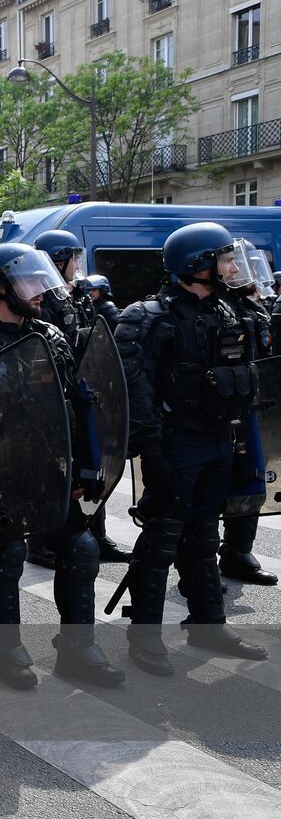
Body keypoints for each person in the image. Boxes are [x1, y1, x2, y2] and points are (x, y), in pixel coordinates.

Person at [0, 243, 125, 689]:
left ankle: (77, 647)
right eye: (28, 281)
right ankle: (6, 649)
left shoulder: (51, 336)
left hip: (51, 469)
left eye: (41, 279)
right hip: (4, 471)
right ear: (0, 287)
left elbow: (74, 405)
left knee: (82, 549)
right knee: (7, 554)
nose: (40, 289)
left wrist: (84, 468)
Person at [116, 222, 269, 675]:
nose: (233, 267)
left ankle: (208, 624)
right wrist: (152, 451)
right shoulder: (148, 317)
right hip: (175, 444)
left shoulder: (228, 309)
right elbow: (131, 389)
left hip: (218, 438)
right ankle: (144, 635)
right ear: (198, 264)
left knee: (204, 535)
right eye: (225, 259)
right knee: (162, 537)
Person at [28, 231, 130, 566]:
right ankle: (41, 542)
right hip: (55, 396)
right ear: (58, 260)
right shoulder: (39, 299)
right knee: (54, 471)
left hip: (83, 391)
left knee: (92, 467)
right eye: (72, 257)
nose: (77, 264)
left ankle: (96, 534)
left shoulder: (76, 297)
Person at [217, 244, 277, 586]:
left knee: (251, 480)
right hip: (218, 413)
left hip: (254, 408)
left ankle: (237, 552)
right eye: (229, 262)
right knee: (210, 489)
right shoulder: (214, 308)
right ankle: (198, 568)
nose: (237, 270)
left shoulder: (252, 305)